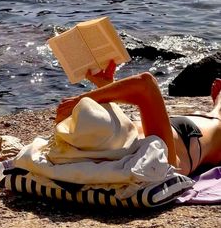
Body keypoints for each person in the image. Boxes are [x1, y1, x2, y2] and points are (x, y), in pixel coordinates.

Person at [56, 61, 221, 176]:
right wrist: (84, 99)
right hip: (179, 146)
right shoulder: (155, 159)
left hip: (163, 138)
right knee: (215, 121)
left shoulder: (93, 151)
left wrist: (106, 87)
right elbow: (145, 84)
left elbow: (114, 135)